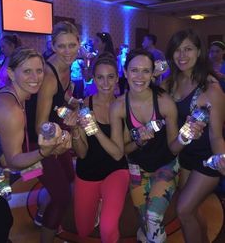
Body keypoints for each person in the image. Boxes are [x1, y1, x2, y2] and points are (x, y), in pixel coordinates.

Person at [0, 47, 70, 243]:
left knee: (1, 221)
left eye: (39, 70)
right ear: (11, 74)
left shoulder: (14, 95)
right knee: (0, 223)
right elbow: (14, 161)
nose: (35, 77)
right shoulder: (12, 109)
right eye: (27, 71)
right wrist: (45, 152)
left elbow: (3, 155)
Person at [108, 48, 187, 243]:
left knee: (153, 216)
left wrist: (186, 137)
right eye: (134, 70)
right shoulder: (118, 106)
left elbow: (173, 148)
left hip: (165, 165)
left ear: (153, 74)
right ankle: (144, 235)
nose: (140, 77)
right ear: (125, 73)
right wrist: (138, 141)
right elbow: (120, 153)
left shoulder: (165, 103)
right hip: (137, 168)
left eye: (145, 71)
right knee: (144, 221)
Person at [164, 29, 225, 243]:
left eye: (188, 49)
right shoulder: (171, 81)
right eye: (177, 50)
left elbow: (217, 136)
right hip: (183, 157)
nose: (182, 55)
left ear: (199, 52)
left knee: (183, 210)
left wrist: (222, 158)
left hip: (206, 160)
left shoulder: (211, 88)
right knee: (193, 209)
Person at [72, 53, 129, 243]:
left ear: (117, 77)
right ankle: (98, 206)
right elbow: (81, 153)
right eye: (100, 77)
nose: (105, 83)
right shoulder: (84, 106)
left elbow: (118, 154)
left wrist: (94, 129)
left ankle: (106, 203)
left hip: (116, 170)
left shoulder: (122, 105)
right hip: (88, 171)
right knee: (84, 229)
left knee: (108, 228)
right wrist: (75, 131)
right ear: (93, 78)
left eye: (111, 77)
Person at [35, 21, 80, 243]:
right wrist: (64, 137)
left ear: (79, 43)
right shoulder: (49, 76)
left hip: (55, 135)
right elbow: (40, 125)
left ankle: (42, 215)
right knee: (62, 197)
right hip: (38, 142)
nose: (67, 51)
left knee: (69, 178)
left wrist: (73, 102)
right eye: (61, 46)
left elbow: (61, 99)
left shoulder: (67, 66)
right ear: (53, 46)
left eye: (72, 45)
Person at [84, 32, 116, 97]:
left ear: (104, 44)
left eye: (97, 41)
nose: (94, 43)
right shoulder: (96, 57)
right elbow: (88, 77)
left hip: (103, 89)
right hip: (94, 87)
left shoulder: (107, 58)